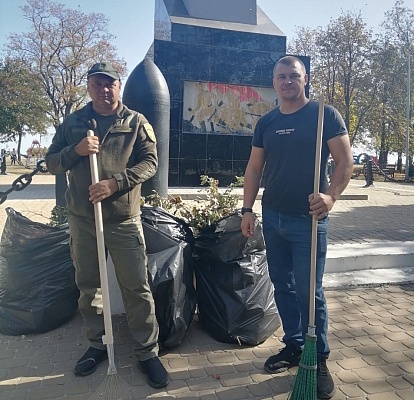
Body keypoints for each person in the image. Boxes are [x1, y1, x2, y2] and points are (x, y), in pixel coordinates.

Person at [45, 62, 170, 388]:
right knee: (91, 287)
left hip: (124, 220)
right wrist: (76, 150)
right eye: (97, 83)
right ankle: (98, 343)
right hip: (84, 220)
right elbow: (52, 162)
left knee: (136, 288)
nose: (104, 89)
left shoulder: (135, 122)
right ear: (89, 86)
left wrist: (116, 184)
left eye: (110, 84)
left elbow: (151, 162)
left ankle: (147, 351)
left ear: (118, 86)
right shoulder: (74, 122)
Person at [241, 56, 353, 399]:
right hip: (272, 217)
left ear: (305, 79)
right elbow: (254, 169)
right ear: (273, 82)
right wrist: (247, 209)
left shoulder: (324, 115)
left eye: (294, 76)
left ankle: (317, 358)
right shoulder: (267, 122)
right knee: (282, 287)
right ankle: (293, 345)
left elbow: (345, 162)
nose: (287, 81)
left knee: (309, 292)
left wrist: (331, 197)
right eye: (281, 77)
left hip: (309, 220)